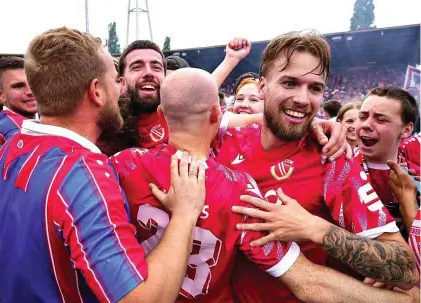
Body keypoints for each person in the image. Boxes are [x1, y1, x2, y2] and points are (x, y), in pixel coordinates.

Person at [112, 67, 414, 303]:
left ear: (162, 115)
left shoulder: (118, 166)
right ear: (218, 113)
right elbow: (308, 283)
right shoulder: (240, 190)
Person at [0, 27, 206, 303]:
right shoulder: (82, 174)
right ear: (96, 92)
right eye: (115, 80)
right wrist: (185, 213)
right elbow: (141, 299)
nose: (120, 89)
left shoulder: (11, 146)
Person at [213, 31, 418, 302]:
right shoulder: (224, 141)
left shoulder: (332, 160)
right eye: (289, 83)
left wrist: (314, 228)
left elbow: (405, 269)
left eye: (315, 88)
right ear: (262, 87)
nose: (302, 98)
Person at [117, 38, 349, 158]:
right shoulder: (109, 125)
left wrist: (318, 124)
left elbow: (256, 120)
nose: (149, 72)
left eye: (156, 66)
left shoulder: (187, 116)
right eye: (137, 66)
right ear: (120, 79)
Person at [353, 87, 420, 236]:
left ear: (406, 130)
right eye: (362, 117)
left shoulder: (417, 178)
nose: (366, 125)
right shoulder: (335, 167)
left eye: (381, 119)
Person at [0, 56, 38, 168]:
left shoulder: (4, 120)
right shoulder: (18, 130)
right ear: (1, 95)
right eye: (19, 86)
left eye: (33, 83)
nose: (30, 91)